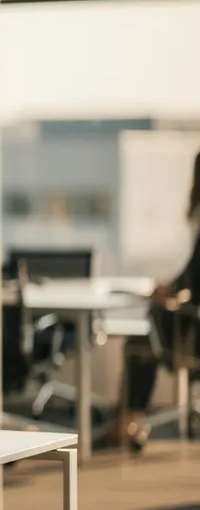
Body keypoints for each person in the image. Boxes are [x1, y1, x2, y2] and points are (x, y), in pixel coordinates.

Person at [117, 151, 200, 450]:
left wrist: (169, 290)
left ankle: (132, 422)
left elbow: (194, 279)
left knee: (140, 341)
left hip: (194, 335)